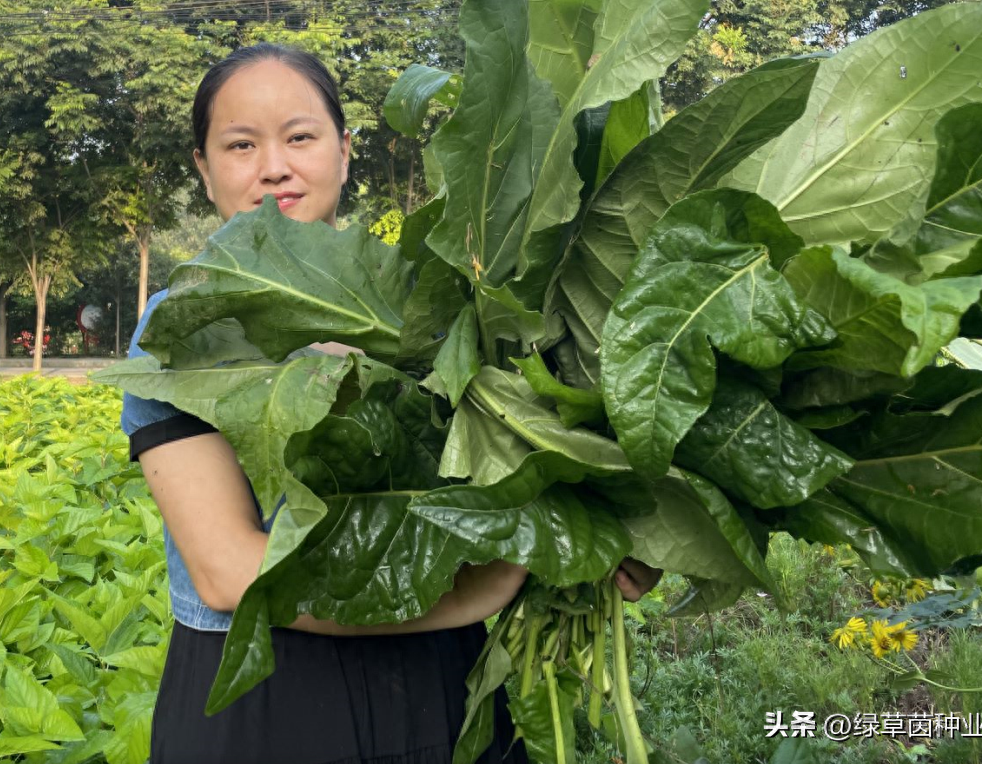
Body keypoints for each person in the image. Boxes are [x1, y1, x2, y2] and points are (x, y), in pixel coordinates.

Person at [121, 42, 661, 764]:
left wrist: (611, 537)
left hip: (446, 690)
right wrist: (479, 592)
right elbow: (227, 573)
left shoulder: (434, 300)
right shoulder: (182, 324)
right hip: (261, 699)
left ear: (344, 152)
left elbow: (518, 478)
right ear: (203, 167)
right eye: (240, 144)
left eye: (300, 137)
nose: (273, 166)